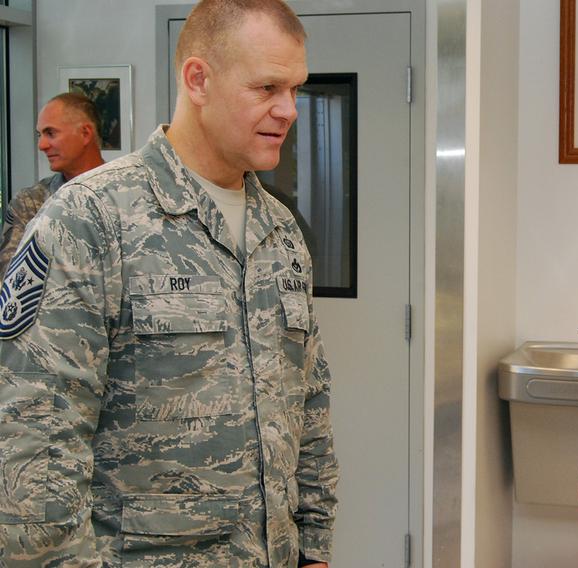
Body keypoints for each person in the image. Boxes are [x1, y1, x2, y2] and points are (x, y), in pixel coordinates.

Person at [0, 1, 338, 566]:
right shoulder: (90, 218)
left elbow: (311, 403)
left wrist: (315, 546)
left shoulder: (280, 231)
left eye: (296, 90)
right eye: (268, 88)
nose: (289, 110)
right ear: (198, 79)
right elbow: (33, 439)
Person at [0, 92, 104, 276]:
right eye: (39, 135)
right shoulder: (30, 203)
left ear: (85, 133)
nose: (41, 145)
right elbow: (10, 278)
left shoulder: (127, 195)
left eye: (50, 133)